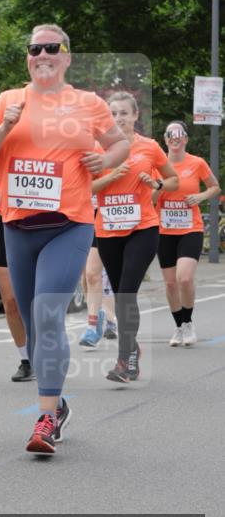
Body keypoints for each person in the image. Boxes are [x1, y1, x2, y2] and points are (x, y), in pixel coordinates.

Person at [0, 24, 129, 455]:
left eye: (51, 48)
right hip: (17, 226)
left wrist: (106, 157)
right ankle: (55, 402)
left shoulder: (88, 104)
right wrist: (3, 127)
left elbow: (120, 144)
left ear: (67, 56)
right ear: (27, 57)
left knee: (48, 310)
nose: (42, 54)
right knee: (33, 322)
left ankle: (45, 420)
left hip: (68, 224)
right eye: (34, 48)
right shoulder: (8, 100)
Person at [93, 92, 178, 383]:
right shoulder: (98, 148)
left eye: (124, 113)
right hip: (107, 230)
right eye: (113, 114)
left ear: (135, 116)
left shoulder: (150, 147)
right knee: (120, 296)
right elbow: (87, 188)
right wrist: (113, 176)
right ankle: (132, 348)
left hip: (143, 227)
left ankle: (125, 360)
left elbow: (173, 180)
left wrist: (156, 183)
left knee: (127, 291)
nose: (119, 119)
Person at [155, 121, 220, 346]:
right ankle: (179, 327)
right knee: (170, 284)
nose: (175, 138)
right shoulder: (157, 165)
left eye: (179, 135)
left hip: (190, 228)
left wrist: (200, 197)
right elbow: (149, 198)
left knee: (184, 278)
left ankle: (189, 322)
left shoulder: (197, 163)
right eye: (170, 135)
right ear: (165, 139)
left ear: (186, 139)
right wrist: (157, 189)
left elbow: (215, 187)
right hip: (164, 230)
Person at [0, 165, 32, 381]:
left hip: (43, 224)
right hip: (6, 223)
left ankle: (48, 353)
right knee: (10, 301)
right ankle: (26, 360)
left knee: (38, 299)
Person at [79, 199, 117, 348]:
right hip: (81, 215)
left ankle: (103, 322)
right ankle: (99, 314)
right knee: (87, 275)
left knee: (99, 275)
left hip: (107, 213)